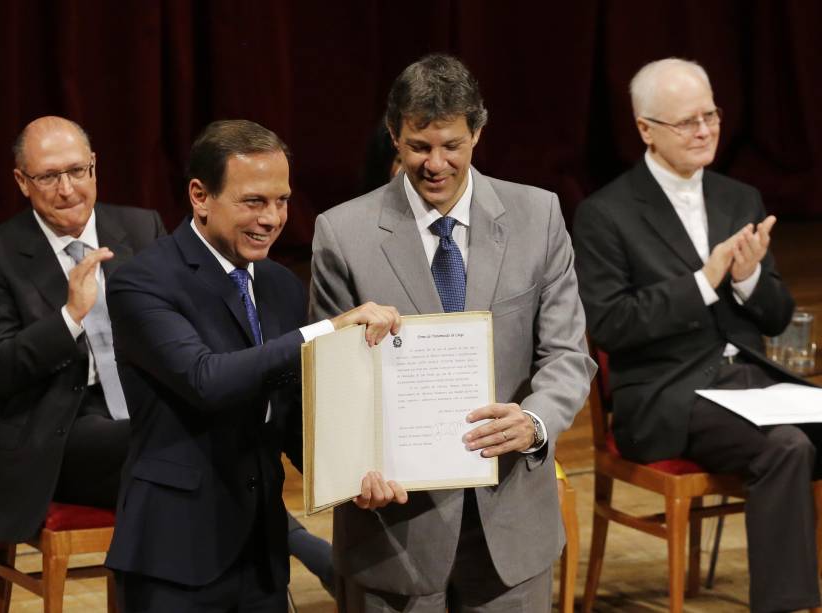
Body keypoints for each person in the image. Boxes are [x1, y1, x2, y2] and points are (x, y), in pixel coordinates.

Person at [310, 54, 594, 612]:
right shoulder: (341, 234)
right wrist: (353, 469)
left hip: (512, 524)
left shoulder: (539, 216)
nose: (435, 163)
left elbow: (566, 355)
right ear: (394, 135)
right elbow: (334, 386)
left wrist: (533, 421)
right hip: (395, 532)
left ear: (478, 134)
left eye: (452, 145)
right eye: (419, 146)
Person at [104, 119, 405, 612]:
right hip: (175, 554)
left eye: (282, 200)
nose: (273, 218)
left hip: (260, 551)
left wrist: (356, 476)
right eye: (254, 202)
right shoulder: (142, 282)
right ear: (200, 196)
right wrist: (328, 329)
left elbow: (287, 416)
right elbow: (207, 380)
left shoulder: (279, 286)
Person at [572, 57, 821, 612]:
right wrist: (704, 282)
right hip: (668, 395)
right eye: (687, 122)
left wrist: (749, 277)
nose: (705, 130)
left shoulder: (739, 198)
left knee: (800, 437)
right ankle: (787, 605)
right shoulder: (604, 215)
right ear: (646, 130)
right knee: (787, 446)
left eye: (710, 115)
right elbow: (612, 323)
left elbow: (778, 317)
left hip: (751, 381)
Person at [0, 116, 166, 543]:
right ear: (22, 181)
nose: (67, 189)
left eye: (75, 171)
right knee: (174, 451)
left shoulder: (142, 229)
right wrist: (70, 317)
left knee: (200, 450)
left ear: (93, 165)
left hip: (140, 411)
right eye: (49, 176)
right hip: (56, 431)